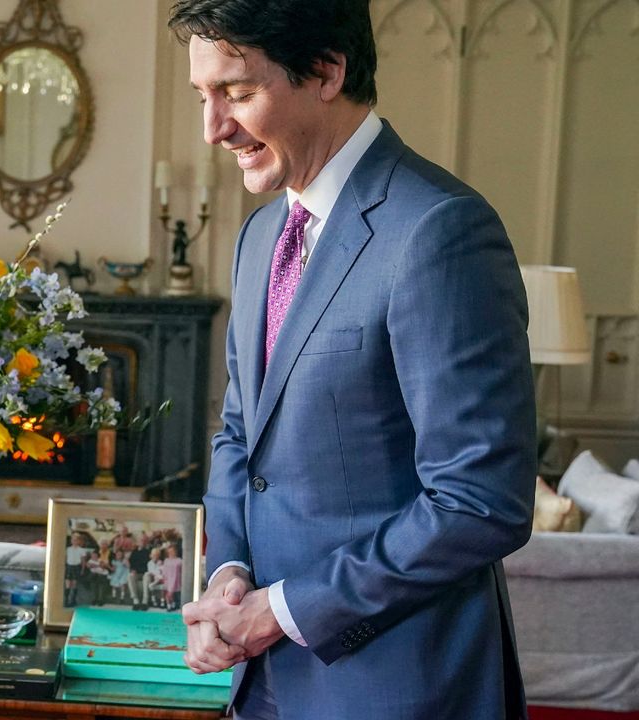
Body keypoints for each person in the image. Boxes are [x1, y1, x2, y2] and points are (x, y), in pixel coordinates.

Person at [169, 1, 537, 718]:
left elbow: (479, 502)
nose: (212, 128)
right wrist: (229, 576)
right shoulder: (259, 237)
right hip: (264, 685)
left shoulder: (439, 230)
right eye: (203, 97)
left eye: (238, 93)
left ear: (327, 72)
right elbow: (241, 438)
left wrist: (280, 610)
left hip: (398, 688)